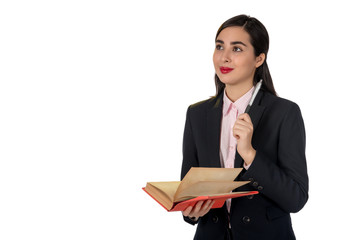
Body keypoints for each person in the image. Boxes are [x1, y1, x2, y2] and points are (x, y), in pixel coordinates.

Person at [180, 15, 309, 240]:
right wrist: (190, 212)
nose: (224, 57)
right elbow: (188, 189)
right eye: (219, 46)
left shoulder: (284, 112)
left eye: (237, 49)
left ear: (259, 59)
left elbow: (296, 198)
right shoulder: (197, 114)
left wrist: (250, 155)